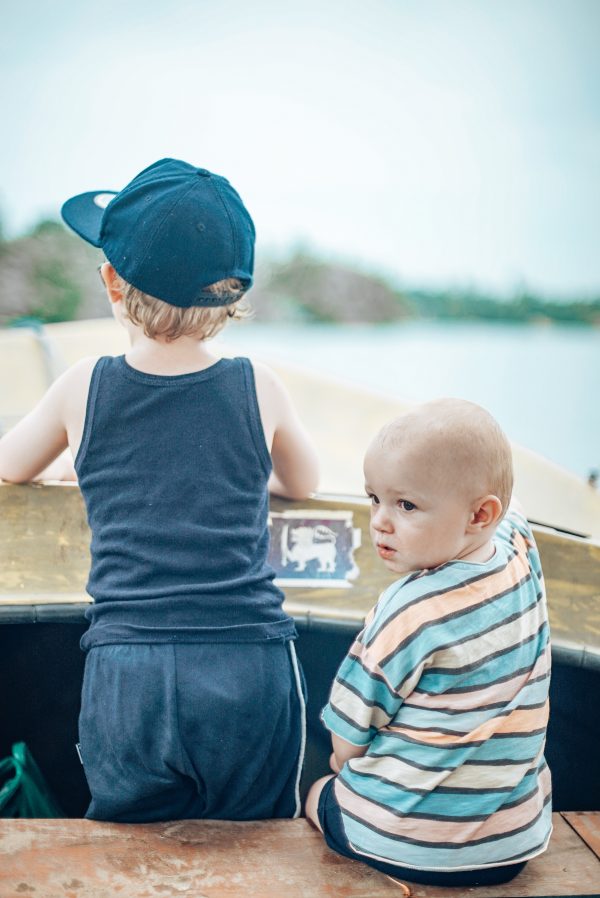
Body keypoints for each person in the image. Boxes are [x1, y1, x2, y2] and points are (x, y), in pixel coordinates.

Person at [0, 158, 319, 823]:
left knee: (132, 850)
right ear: (231, 299)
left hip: (129, 671)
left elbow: (11, 465)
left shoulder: (82, 386)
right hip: (249, 665)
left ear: (111, 283)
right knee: (258, 843)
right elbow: (304, 481)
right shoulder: (259, 385)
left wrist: (80, 463)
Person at [305, 398, 551, 888]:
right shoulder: (519, 551)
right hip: (513, 844)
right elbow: (512, 508)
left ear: (480, 514)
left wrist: (340, 772)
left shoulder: (408, 610)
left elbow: (349, 742)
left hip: (406, 845)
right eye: (374, 498)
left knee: (319, 790)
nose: (380, 521)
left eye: (407, 505)